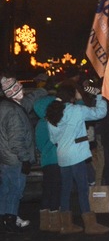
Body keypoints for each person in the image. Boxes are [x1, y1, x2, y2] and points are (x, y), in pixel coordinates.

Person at [46, 81, 109, 235]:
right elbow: (100, 113)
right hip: (77, 155)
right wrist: (100, 96)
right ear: (71, 96)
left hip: (62, 156)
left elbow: (53, 139)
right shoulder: (76, 110)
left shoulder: (52, 112)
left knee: (66, 189)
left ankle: (66, 225)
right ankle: (90, 225)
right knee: (82, 188)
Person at [0, 77, 35, 233]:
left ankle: (4, 218)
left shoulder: (6, 107)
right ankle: (10, 221)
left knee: (6, 189)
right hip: (15, 159)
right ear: (13, 92)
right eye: (20, 89)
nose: (23, 91)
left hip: (5, 157)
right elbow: (16, 140)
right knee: (15, 190)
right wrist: (25, 159)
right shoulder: (13, 111)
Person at [33, 87, 59, 232]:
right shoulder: (50, 123)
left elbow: (40, 144)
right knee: (55, 190)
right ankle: (55, 221)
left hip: (46, 161)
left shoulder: (40, 124)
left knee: (48, 190)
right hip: (55, 160)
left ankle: (45, 222)